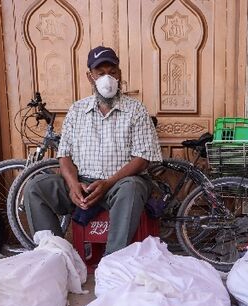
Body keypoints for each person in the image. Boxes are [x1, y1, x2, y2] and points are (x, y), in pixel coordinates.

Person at [24, 45, 162, 255]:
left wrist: (108, 184)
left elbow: (142, 159)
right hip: (83, 184)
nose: (108, 78)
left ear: (120, 74)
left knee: (132, 188)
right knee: (35, 187)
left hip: (118, 185)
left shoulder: (136, 110)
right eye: (101, 73)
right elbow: (65, 155)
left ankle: (113, 262)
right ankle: (55, 256)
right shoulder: (77, 110)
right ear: (91, 77)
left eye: (112, 72)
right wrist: (72, 186)